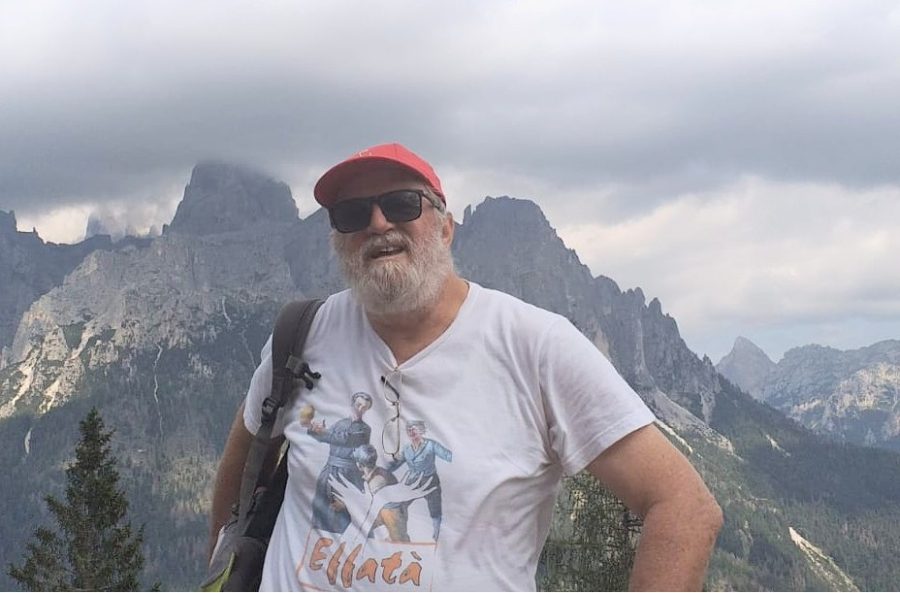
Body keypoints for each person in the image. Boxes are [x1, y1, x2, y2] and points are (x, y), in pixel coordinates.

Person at [210, 142, 723, 591]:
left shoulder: (536, 346)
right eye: (352, 213)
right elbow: (243, 466)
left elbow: (684, 505)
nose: (378, 224)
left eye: (402, 204)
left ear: (445, 227)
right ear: (337, 239)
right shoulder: (302, 332)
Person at [306, 392, 373, 533]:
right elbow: (325, 438)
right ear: (352, 404)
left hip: (348, 474)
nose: (360, 409)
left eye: (364, 407)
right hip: (328, 471)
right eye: (358, 405)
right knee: (321, 506)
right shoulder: (340, 423)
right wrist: (315, 430)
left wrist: (324, 432)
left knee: (340, 513)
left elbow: (346, 440)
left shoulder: (365, 430)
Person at [385, 420, 451, 540]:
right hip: (412, 482)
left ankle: (437, 535)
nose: (411, 432)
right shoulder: (407, 448)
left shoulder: (431, 445)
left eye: (414, 429)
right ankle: (395, 533)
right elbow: (396, 464)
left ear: (421, 430)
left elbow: (448, 456)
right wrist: (383, 469)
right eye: (409, 430)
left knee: (435, 510)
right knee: (398, 505)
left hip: (429, 481)